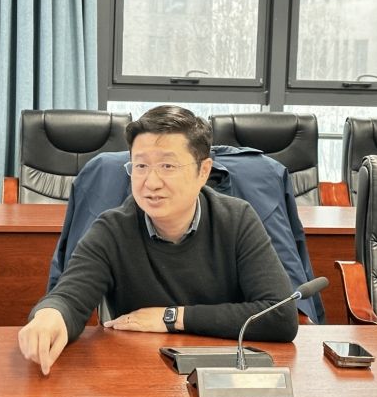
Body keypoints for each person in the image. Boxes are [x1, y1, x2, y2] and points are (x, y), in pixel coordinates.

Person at [18, 105, 299, 375]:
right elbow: (69, 298)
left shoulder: (237, 219)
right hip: (138, 372)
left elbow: (280, 316)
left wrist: (172, 317)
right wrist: (49, 316)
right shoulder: (112, 229)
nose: (151, 182)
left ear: (203, 171)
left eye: (167, 166)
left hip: (220, 370)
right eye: (140, 166)